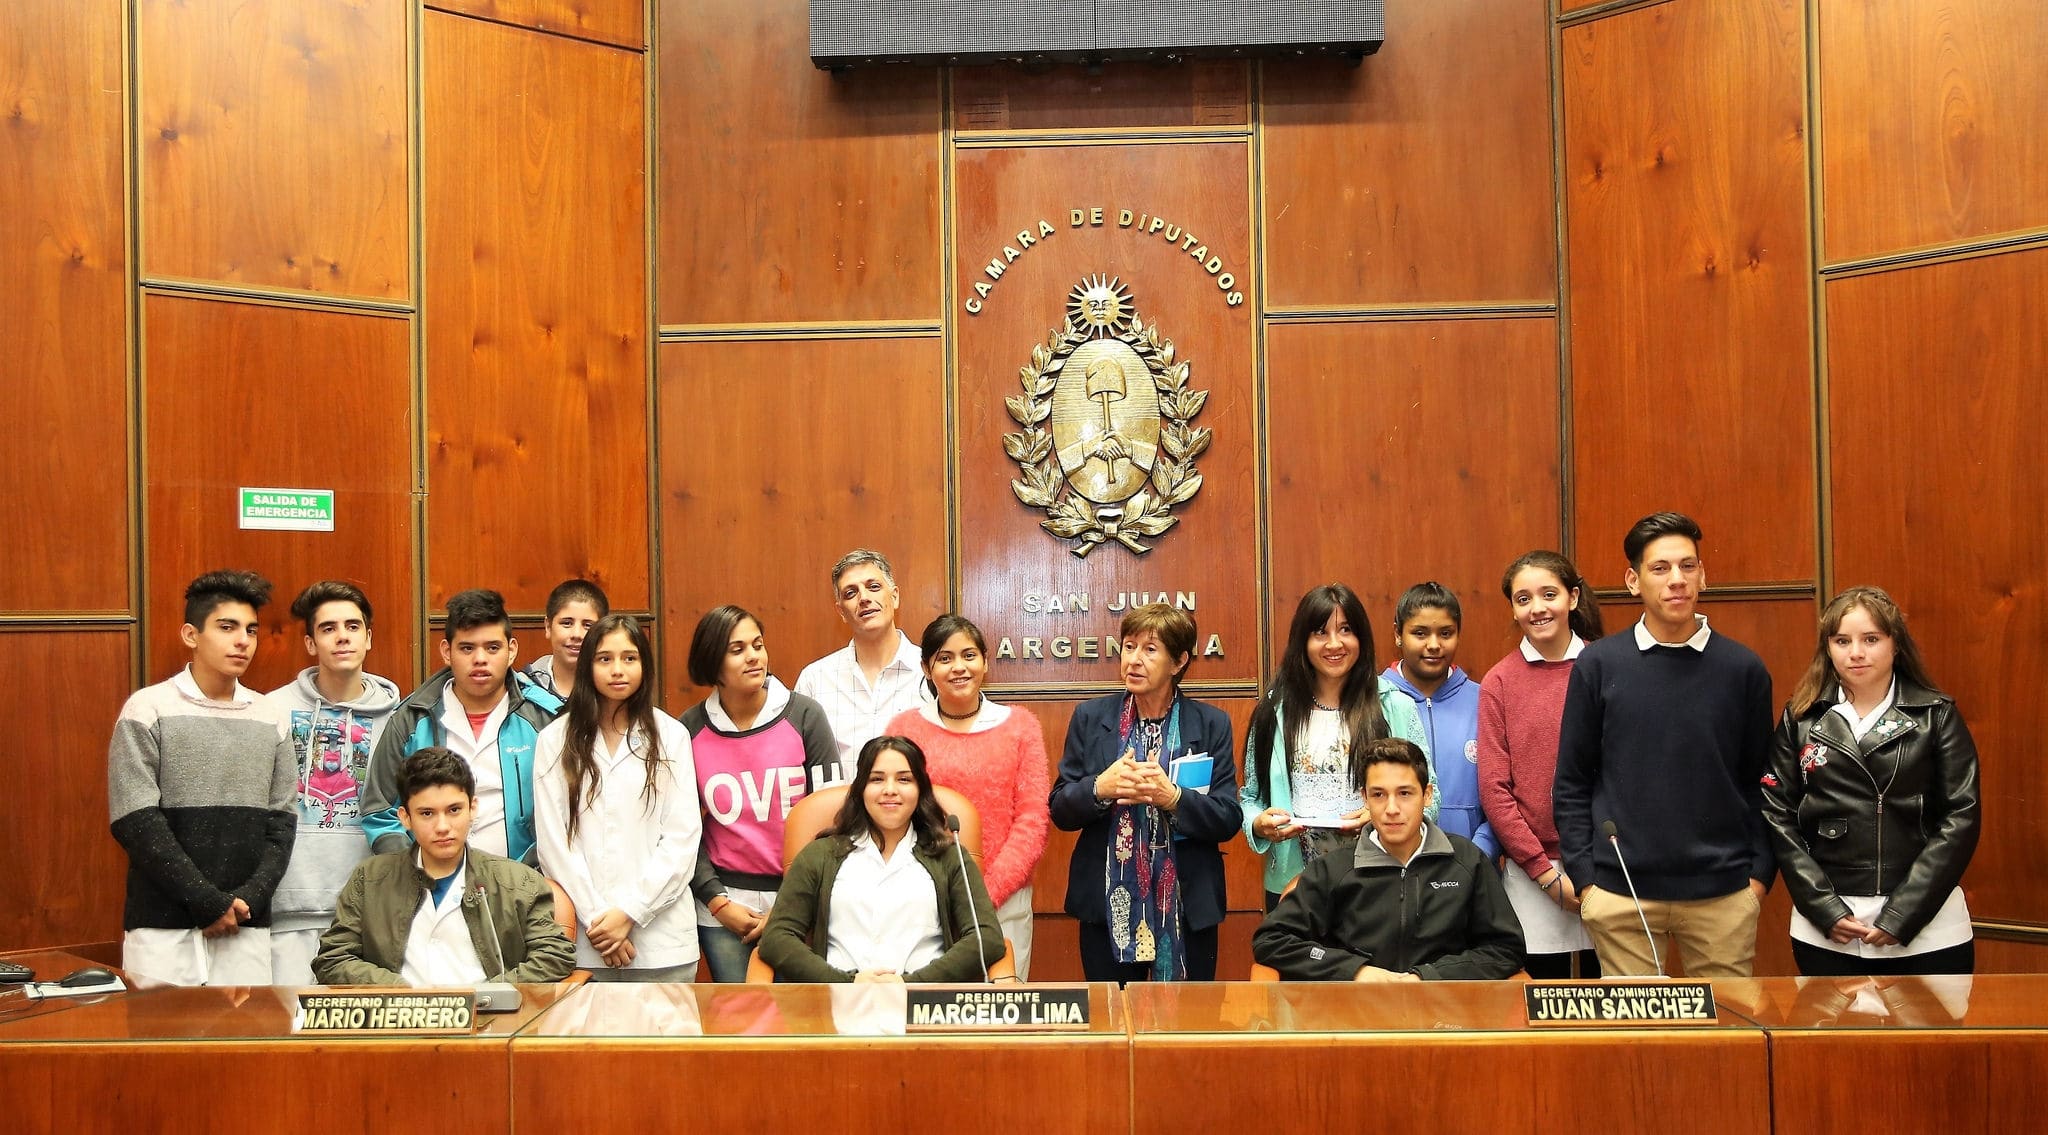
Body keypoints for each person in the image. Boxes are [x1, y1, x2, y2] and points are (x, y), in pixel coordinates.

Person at [1554, 512, 1776, 978]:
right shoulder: (1598, 665)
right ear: (1633, 580)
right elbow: (1573, 781)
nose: (1676, 580)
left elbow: (1762, 780)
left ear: (1703, 575)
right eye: (1660, 569)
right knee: (1636, 1047)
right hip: (1621, 894)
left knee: (1724, 1042)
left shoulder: (1743, 669)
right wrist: (1586, 879)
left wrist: (1758, 876)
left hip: (1724, 894)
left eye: (1687, 566)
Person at [1762, 586, 1980, 975]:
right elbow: (1778, 813)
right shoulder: (1801, 717)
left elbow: (1961, 816)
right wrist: (1824, 907)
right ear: (1828, 648)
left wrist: (1902, 913)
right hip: (1829, 927)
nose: (1856, 652)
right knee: (1836, 1038)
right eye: (1842, 640)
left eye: (1871, 639)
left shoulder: (1937, 715)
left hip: (1927, 926)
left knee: (1934, 1038)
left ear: (1896, 645)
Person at [108, 570, 297, 985]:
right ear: (191, 635)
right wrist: (207, 902)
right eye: (226, 627)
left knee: (244, 1046)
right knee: (159, 1046)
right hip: (162, 927)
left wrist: (246, 900)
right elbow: (134, 821)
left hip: (245, 924)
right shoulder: (148, 708)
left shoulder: (271, 716)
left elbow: (282, 824)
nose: (242, 640)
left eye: (251, 630)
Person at [1050, 602, 1239, 982]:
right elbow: (1059, 806)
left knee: (1186, 1027)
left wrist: (1173, 798)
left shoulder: (1211, 723)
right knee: (1114, 1022)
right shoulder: (1091, 718)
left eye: (1149, 650)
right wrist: (1100, 788)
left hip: (1187, 904)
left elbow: (1228, 816)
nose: (1134, 660)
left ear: (1178, 660)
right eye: (1129, 647)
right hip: (1109, 905)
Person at [1253, 737, 1523, 981]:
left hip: (1445, 1017)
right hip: (1356, 1019)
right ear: (1365, 799)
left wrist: (1430, 976)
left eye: (1404, 793)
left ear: (1427, 795)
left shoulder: (1466, 862)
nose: (1391, 809)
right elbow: (1271, 941)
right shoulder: (1334, 870)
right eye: (1379, 795)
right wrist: (1354, 970)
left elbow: (1505, 949)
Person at [313, 748, 575, 985]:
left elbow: (555, 956)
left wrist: (493, 993)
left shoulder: (518, 881)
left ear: (473, 808)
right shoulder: (369, 879)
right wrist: (395, 989)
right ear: (405, 817)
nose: (442, 826)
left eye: (454, 810)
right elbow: (333, 959)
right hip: (400, 1026)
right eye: (427, 813)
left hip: (486, 1024)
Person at [535, 614, 703, 982]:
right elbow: (554, 845)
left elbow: (681, 840)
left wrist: (630, 912)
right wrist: (600, 920)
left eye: (629, 658)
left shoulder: (671, 736)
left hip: (662, 945)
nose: (618, 669)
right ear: (587, 666)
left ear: (644, 664)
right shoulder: (554, 740)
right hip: (588, 942)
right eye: (604, 658)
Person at [1241, 584, 1430, 910]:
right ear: (1303, 641)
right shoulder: (1274, 709)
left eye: (1345, 630)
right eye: (1320, 632)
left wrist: (1379, 812)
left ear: (1361, 638)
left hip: (1379, 879)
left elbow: (1430, 794)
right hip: (1295, 884)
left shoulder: (1393, 706)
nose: (1334, 643)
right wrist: (1258, 824)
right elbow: (1251, 797)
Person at [757, 736, 1005, 983]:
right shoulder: (821, 854)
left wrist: (912, 984)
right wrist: (847, 983)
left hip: (923, 1006)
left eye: (904, 779)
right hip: (840, 1003)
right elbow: (777, 937)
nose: (890, 790)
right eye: (876, 779)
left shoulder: (949, 856)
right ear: (861, 789)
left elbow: (986, 937)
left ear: (920, 790)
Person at [682, 604, 840, 982]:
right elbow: (681, 830)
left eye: (758, 644)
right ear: (712, 663)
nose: (754, 657)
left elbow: (834, 823)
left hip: (800, 901)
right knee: (740, 1026)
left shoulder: (805, 716)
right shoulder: (688, 729)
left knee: (802, 1026)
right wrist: (718, 903)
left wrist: (791, 906)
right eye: (737, 650)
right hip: (722, 906)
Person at [886, 614, 1050, 978]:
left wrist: (985, 894)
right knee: (930, 1019)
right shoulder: (904, 729)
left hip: (1003, 902)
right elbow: (893, 816)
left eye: (969, 655)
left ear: (985, 661)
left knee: (1001, 1018)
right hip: (925, 901)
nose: (958, 667)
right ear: (927, 669)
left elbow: (1032, 819)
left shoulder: (1020, 726)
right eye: (945, 658)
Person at [360, 589, 564, 864]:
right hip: (429, 889)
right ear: (447, 651)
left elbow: (567, 812)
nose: (480, 659)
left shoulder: (545, 719)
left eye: (493, 647)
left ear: (511, 650)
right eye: (467, 648)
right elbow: (380, 810)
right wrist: (412, 872)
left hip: (524, 885)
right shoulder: (410, 719)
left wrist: (527, 875)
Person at [267, 581, 403, 986]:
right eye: (328, 628)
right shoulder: (271, 709)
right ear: (310, 643)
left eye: (352, 626)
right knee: (287, 1035)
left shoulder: (402, 717)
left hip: (371, 910)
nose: (342, 636)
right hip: (288, 911)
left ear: (368, 637)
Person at [1477, 551, 1605, 979]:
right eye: (1523, 598)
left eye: (1549, 594)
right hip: (1532, 873)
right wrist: (1544, 873)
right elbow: (1494, 789)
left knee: (1611, 1002)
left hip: (1609, 866)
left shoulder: (1610, 667)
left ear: (1572, 597)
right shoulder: (1499, 682)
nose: (1537, 608)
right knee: (1540, 1006)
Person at [1382, 581, 1495, 859]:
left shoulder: (1485, 700)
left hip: (1473, 865)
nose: (1434, 645)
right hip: (1393, 868)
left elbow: (1505, 792)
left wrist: (1477, 854)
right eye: (1420, 633)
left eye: (1445, 633)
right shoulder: (1376, 701)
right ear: (1398, 634)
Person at [795, 549, 924, 788]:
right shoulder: (814, 679)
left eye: (873, 587)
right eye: (851, 593)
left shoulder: (930, 672)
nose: (863, 598)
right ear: (841, 611)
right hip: (839, 822)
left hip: (917, 822)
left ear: (894, 597)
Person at [525, 578, 608, 699]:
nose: (577, 634)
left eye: (588, 625)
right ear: (548, 627)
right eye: (567, 623)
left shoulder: (614, 690)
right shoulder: (522, 691)